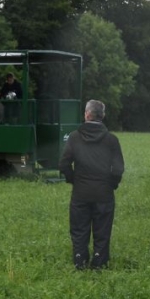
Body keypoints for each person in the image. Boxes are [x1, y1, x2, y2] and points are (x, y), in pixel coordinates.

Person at [59, 100, 125, 270]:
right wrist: (111, 184)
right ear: (102, 116)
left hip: (80, 192)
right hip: (104, 192)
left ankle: (80, 260)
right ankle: (99, 261)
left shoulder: (74, 137)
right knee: (102, 229)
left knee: (79, 228)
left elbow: (64, 164)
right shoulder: (111, 140)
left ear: (87, 115)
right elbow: (118, 169)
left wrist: (73, 179)